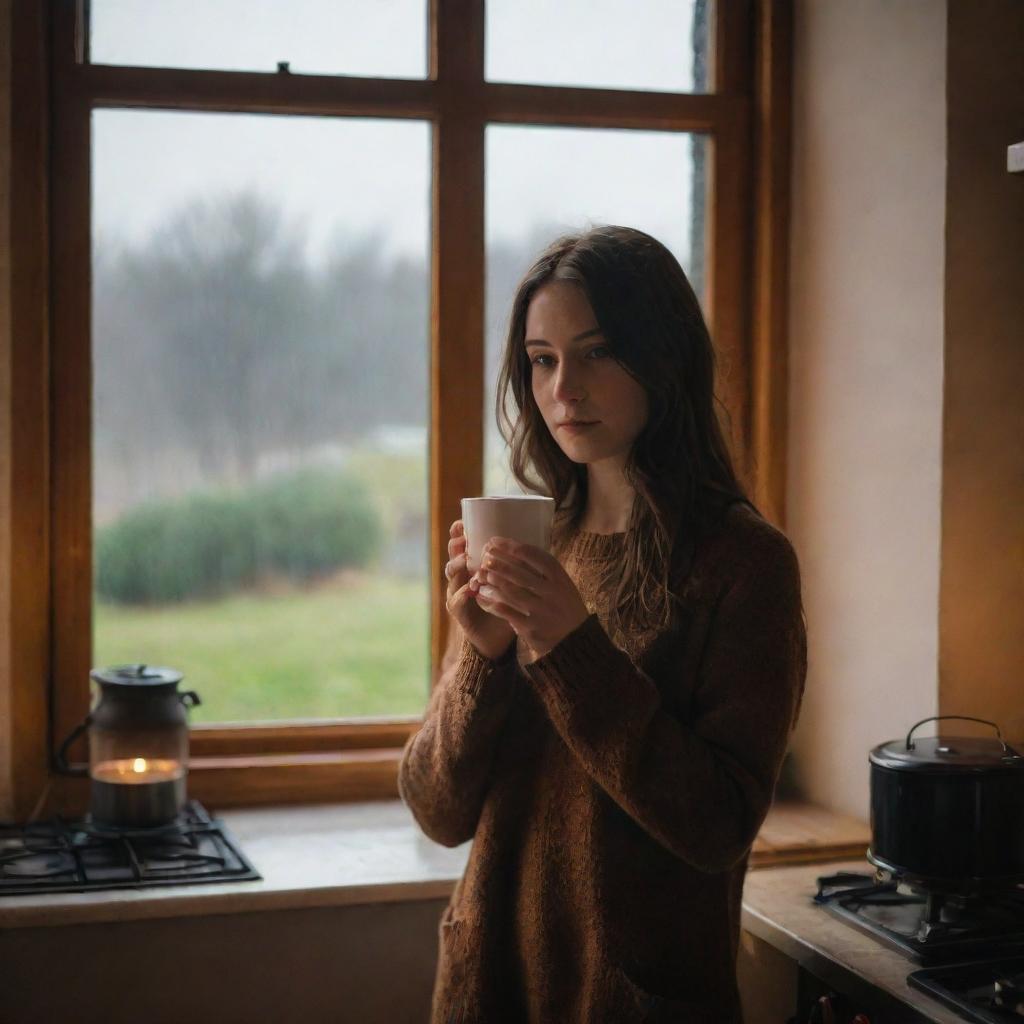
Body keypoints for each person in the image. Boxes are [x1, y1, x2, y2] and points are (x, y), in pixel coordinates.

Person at [398, 225, 807, 1023]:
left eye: (596, 352)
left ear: (663, 357)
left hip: (634, 1002)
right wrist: (481, 660)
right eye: (542, 359)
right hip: (488, 988)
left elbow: (717, 825)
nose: (563, 389)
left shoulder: (743, 563)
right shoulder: (528, 540)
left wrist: (571, 650)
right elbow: (437, 812)